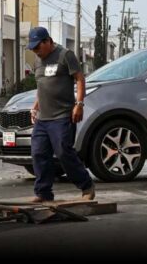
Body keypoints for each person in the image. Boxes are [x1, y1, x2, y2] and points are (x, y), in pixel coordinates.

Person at [27, 27, 95, 203]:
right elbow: (41, 86)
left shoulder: (65, 55)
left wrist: (79, 104)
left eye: (38, 47)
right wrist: (35, 106)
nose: (36, 52)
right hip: (43, 118)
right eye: (33, 49)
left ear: (47, 41)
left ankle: (86, 186)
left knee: (64, 153)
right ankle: (43, 193)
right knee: (39, 153)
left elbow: (80, 79)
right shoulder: (37, 60)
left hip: (62, 116)